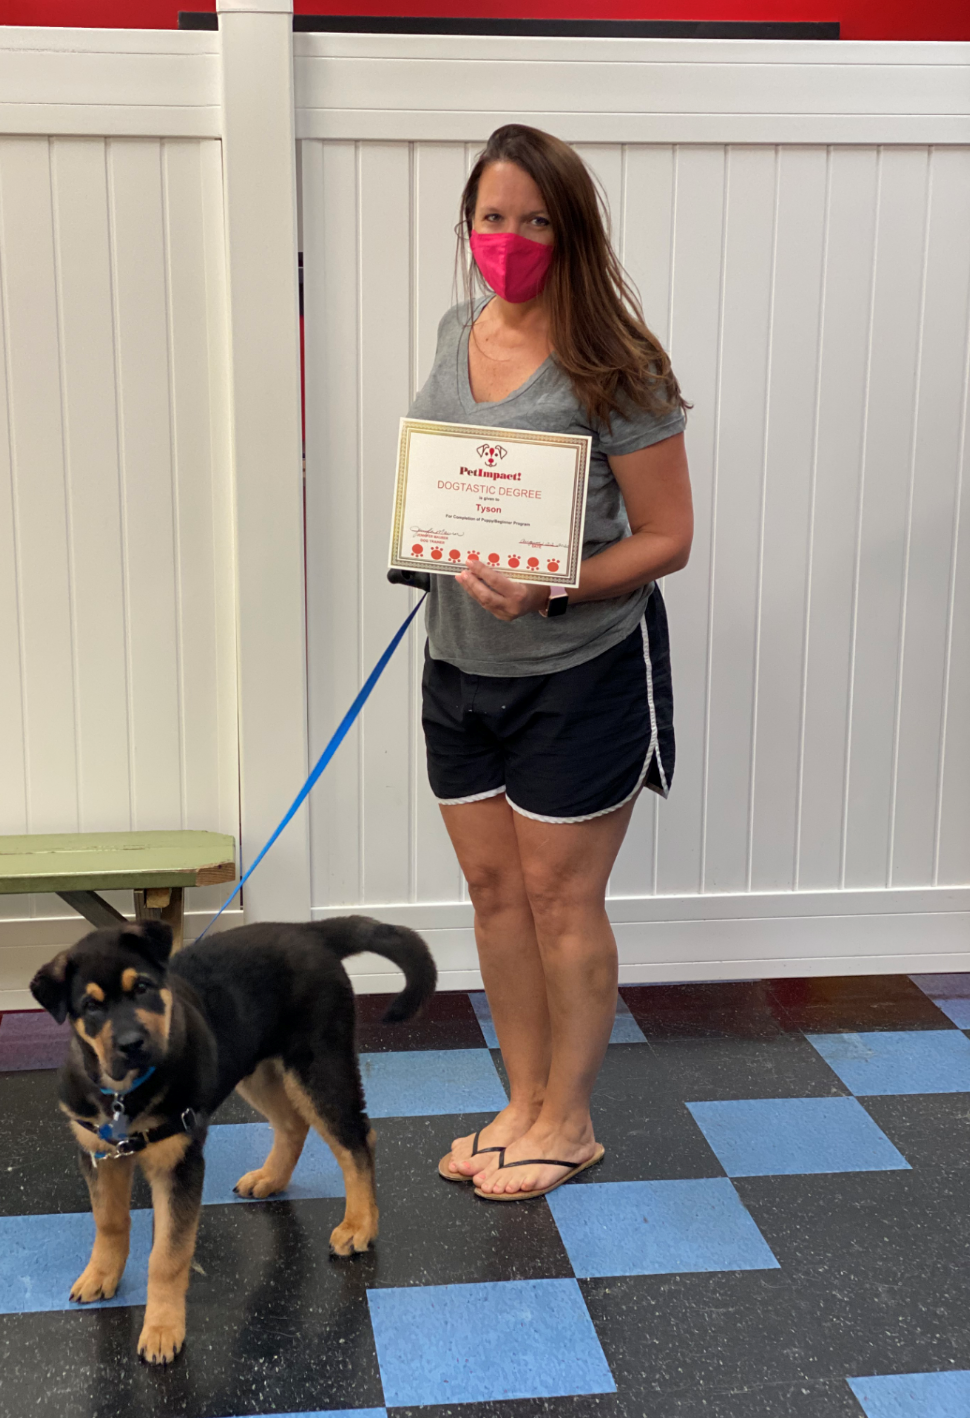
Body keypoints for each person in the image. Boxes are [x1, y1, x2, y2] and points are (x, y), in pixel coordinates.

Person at [408, 124, 694, 1200]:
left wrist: (553, 585)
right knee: (495, 893)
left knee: (561, 901)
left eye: (536, 220)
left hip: (582, 669)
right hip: (459, 662)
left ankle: (569, 1122)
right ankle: (522, 1102)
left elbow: (668, 536)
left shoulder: (620, 362)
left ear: (572, 232)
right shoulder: (457, 329)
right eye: (493, 217)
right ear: (467, 225)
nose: (511, 238)